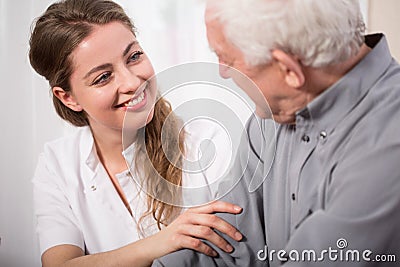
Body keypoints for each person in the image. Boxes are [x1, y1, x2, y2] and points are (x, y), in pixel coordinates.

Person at [153, 0, 400, 266]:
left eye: (227, 58)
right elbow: (217, 240)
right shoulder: (272, 116)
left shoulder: (388, 146)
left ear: (289, 71)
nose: (222, 72)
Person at [29, 0, 244, 266]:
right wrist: (163, 242)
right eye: (103, 77)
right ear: (68, 97)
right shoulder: (57, 164)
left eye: (134, 57)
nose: (132, 82)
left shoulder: (207, 142)